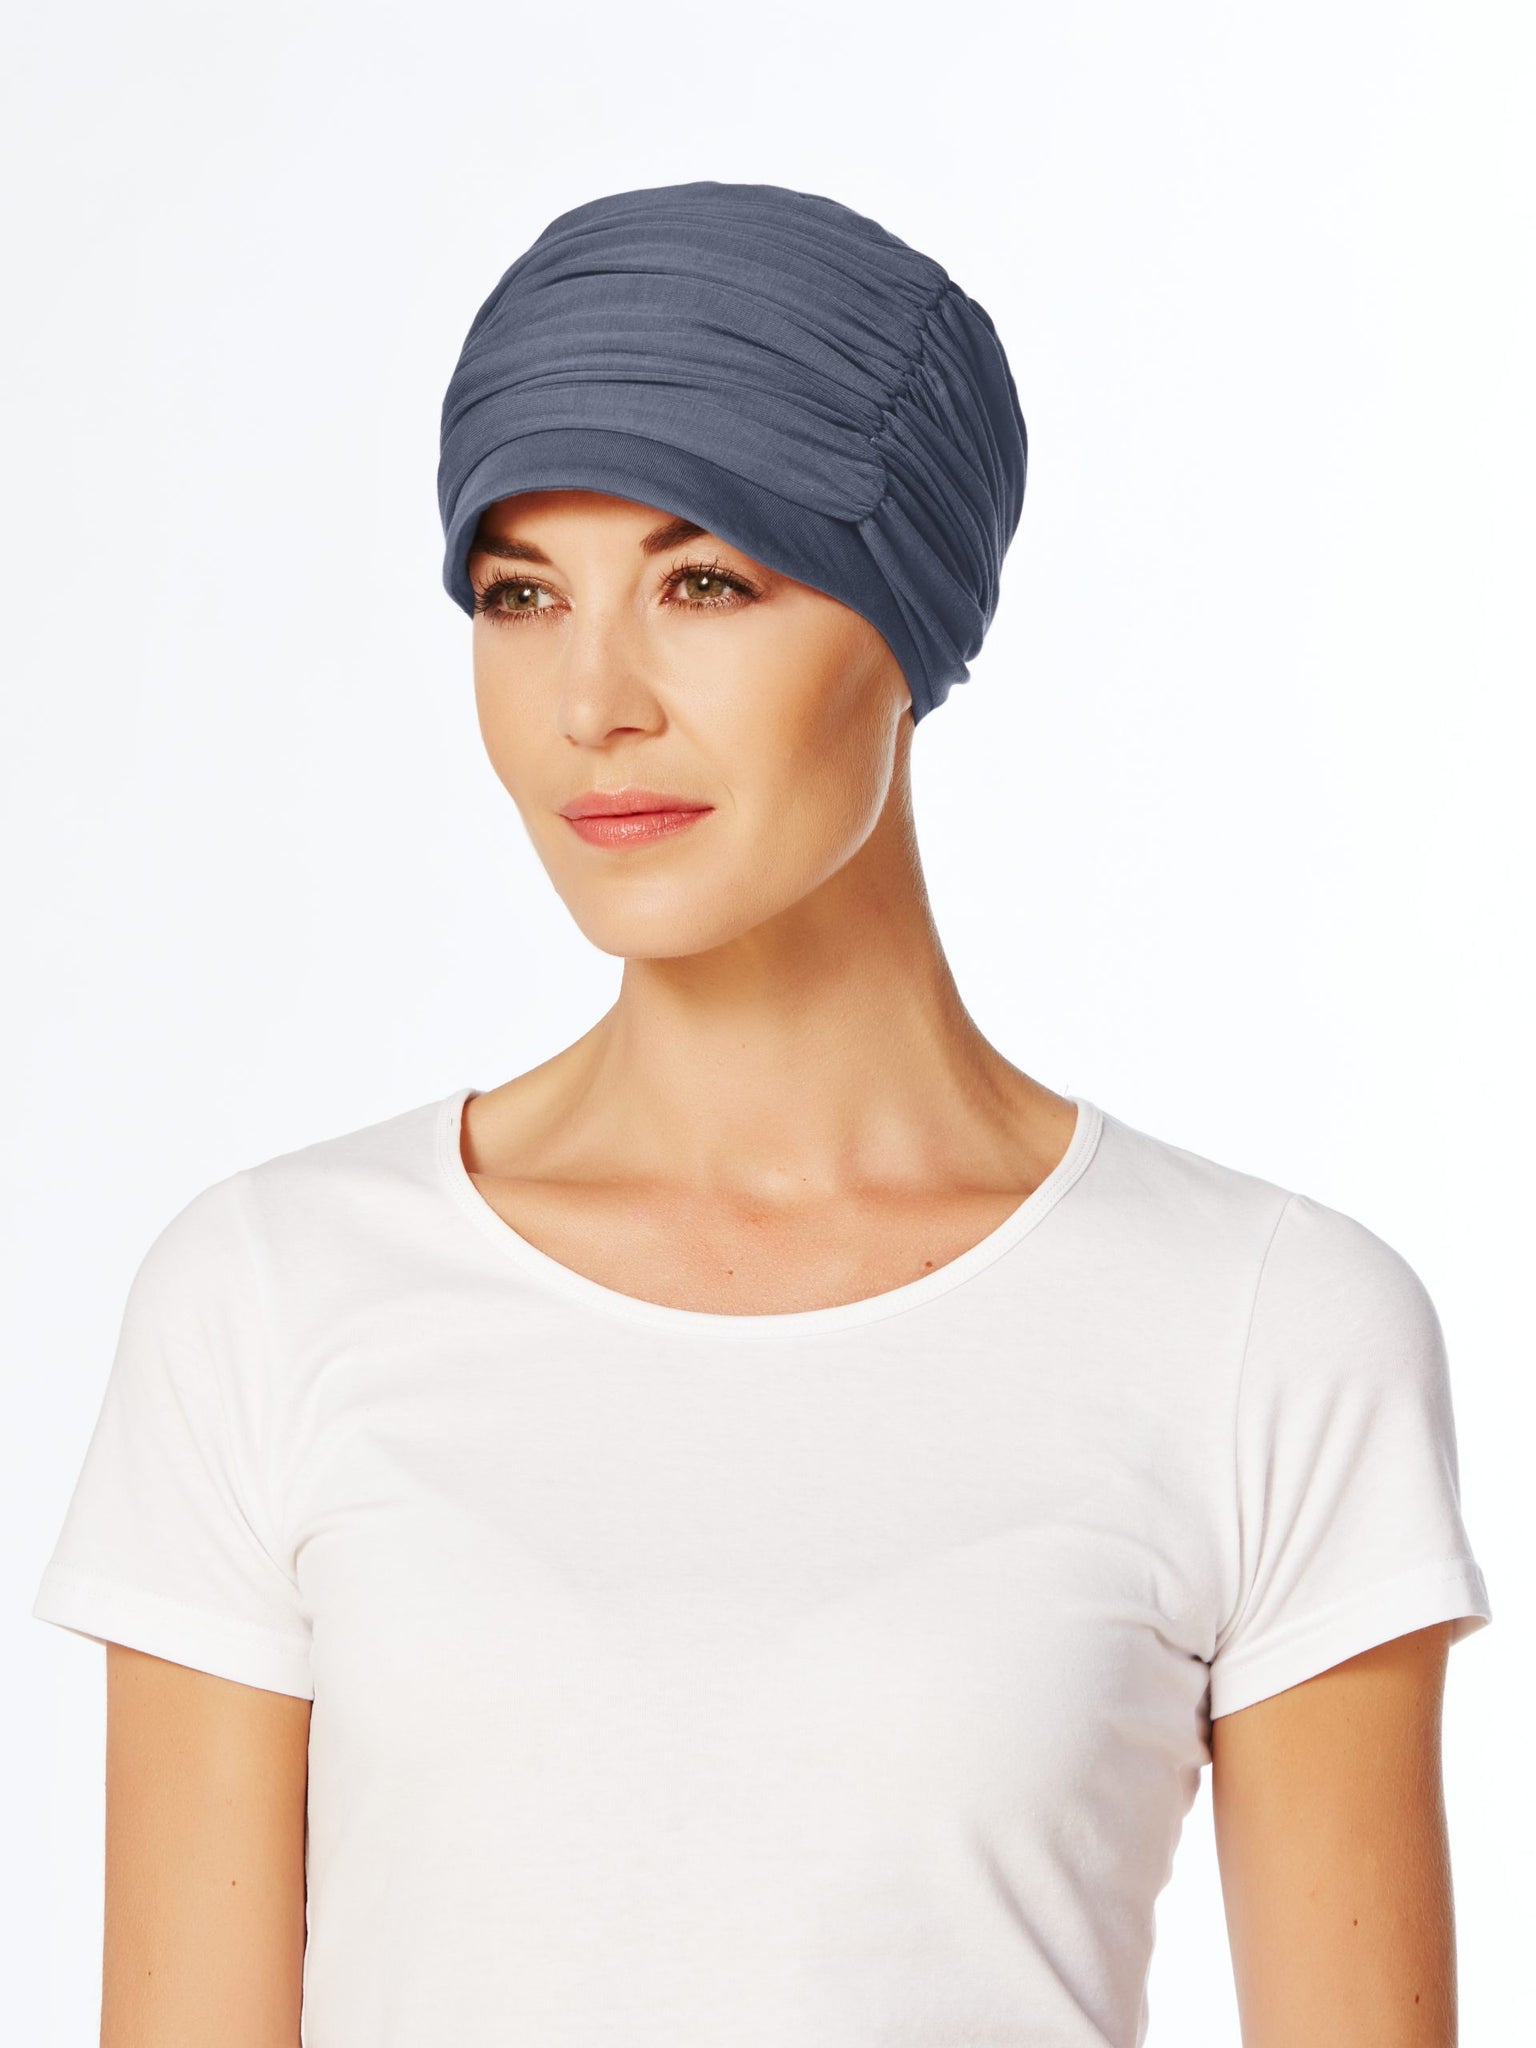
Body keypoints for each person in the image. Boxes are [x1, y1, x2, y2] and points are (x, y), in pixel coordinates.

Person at [32, 180, 1491, 2047]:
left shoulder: (1266, 1326)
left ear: (910, 622)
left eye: (705, 581)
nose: (591, 702)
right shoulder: (269, 1293)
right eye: (520, 595)